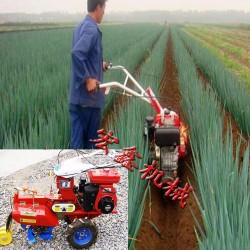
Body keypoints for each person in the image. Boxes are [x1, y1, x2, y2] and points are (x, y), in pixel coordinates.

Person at [69, 0, 108, 149]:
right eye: (104, 8)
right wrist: (87, 79)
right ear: (98, 7)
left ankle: (74, 172)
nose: (104, 12)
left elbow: (85, 55)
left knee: (76, 147)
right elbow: (77, 54)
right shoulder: (91, 29)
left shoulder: (80, 26)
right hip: (88, 101)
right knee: (90, 147)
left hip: (76, 99)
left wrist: (99, 63)